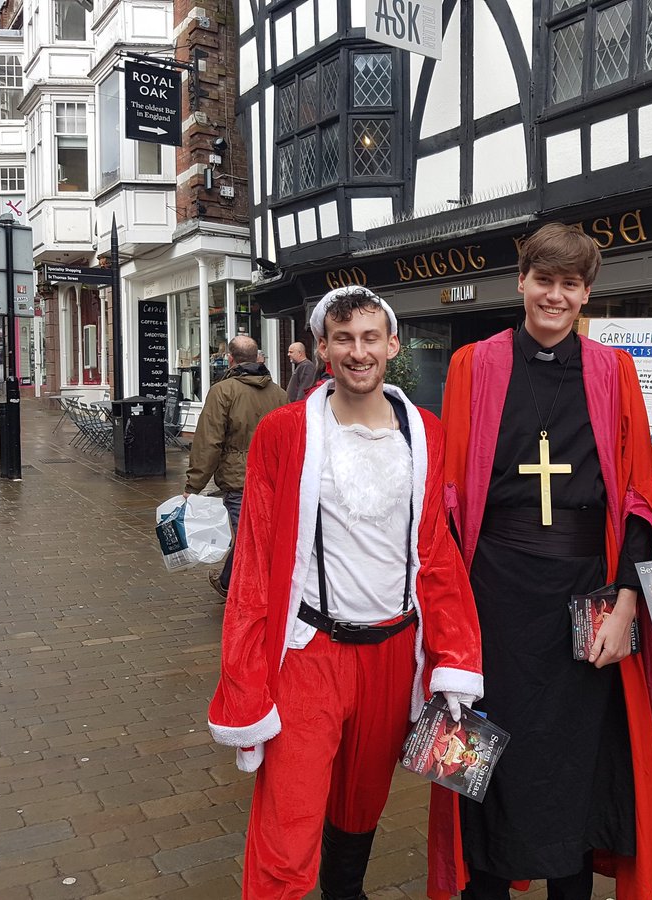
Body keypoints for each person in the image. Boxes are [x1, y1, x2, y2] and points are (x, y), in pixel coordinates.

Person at [206, 286, 482, 900]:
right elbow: (252, 560)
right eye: (344, 339)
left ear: (393, 345)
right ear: (323, 349)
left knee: (361, 807)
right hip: (311, 652)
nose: (359, 352)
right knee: (289, 816)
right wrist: (246, 679)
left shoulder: (425, 433)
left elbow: (435, 552)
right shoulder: (284, 432)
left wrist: (455, 658)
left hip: (393, 651)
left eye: (370, 338)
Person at [433, 223, 652, 900]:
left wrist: (626, 602)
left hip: (582, 593)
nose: (555, 296)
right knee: (481, 748)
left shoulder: (611, 370)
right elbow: (448, 496)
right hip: (491, 596)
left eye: (570, 284)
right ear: (522, 281)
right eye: (545, 279)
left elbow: (634, 497)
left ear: (587, 293)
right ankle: (483, 886)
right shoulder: (471, 365)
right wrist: (447, 620)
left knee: (578, 764)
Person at [184, 334, 287, 598]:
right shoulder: (279, 394)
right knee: (257, 536)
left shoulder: (222, 392)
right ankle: (231, 582)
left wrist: (193, 485)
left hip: (239, 478)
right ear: (257, 358)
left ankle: (250, 590)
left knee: (248, 539)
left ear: (230, 359)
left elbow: (209, 441)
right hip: (274, 478)